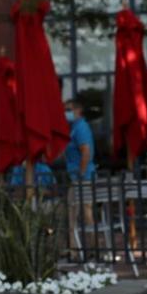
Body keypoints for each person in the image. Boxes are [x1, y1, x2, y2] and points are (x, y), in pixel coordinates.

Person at [64, 99, 96, 256]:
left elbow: (86, 151)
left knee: (82, 214)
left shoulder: (80, 127)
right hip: (78, 177)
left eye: (68, 109)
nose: (66, 113)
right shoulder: (74, 128)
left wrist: (81, 174)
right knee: (75, 214)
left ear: (78, 110)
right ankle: (77, 249)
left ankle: (85, 249)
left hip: (82, 178)